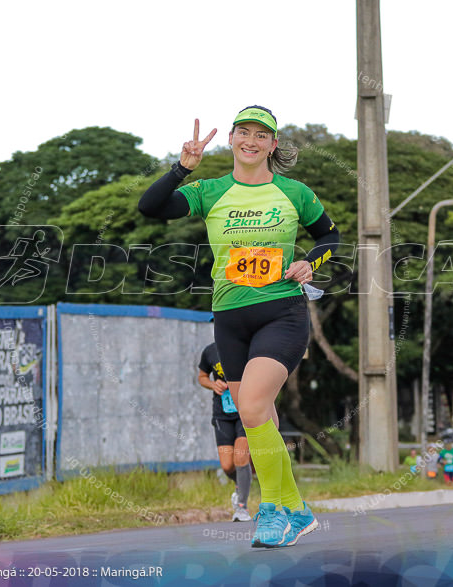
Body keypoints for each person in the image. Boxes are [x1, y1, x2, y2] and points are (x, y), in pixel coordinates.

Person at [139, 106, 340, 548]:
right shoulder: (210, 190)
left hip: (280, 313)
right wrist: (182, 168)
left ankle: (270, 511)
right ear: (230, 139)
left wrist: (311, 261)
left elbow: (331, 236)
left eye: (260, 135)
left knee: (249, 408)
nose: (251, 140)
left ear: (272, 145)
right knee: (259, 415)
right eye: (243, 132)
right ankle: (297, 510)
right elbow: (150, 206)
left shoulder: (294, 192)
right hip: (229, 319)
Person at [198, 342, 252, 522]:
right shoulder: (210, 351)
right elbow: (202, 377)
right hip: (223, 413)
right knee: (228, 465)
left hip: (246, 411)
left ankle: (242, 507)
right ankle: (241, 483)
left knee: (240, 457)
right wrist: (213, 385)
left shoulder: (247, 347)